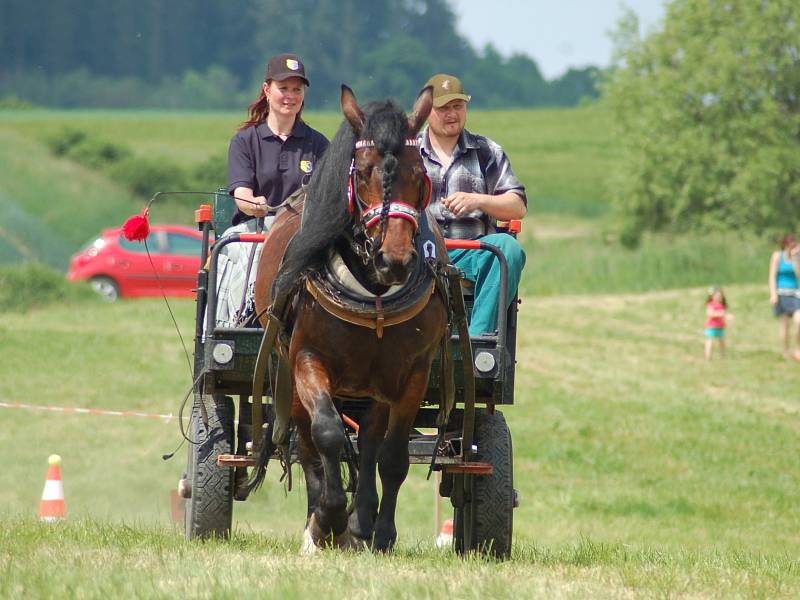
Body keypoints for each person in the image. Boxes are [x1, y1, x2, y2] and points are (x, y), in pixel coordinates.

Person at [215, 53, 329, 328]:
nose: (290, 96)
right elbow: (241, 192)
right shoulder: (245, 141)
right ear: (267, 90)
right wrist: (252, 203)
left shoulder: (318, 144)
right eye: (283, 88)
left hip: (303, 231)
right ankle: (236, 322)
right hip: (256, 228)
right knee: (235, 251)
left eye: (297, 90)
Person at [417, 74, 527, 336]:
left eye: (458, 106)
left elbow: (517, 205)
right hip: (418, 252)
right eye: (443, 108)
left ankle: (476, 341)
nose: (451, 114)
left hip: (470, 252)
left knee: (508, 249)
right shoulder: (406, 152)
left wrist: (477, 200)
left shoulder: (486, 151)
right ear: (425, 110)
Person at [768, 234, 800, 359]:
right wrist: (773, 294)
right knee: (785, 326)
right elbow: (772, 276)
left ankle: (798, 349)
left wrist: (795, 259)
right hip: (782, 294)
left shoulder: (796, 258)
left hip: (795, 293)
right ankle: (785, 351)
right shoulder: (777, 256)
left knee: (799, 321)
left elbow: (798, 274)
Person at [704, 286, 733, 360]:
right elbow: (710, 314)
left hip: (720, 327)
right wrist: (721, 314)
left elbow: (723, 315)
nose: (719, 297)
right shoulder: (711, 304)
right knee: (710, 341)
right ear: (712, 296)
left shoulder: (722, 305)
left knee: (722, 341)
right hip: (712, 327)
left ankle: (723, 355)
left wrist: (726, 318)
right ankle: (708, 356)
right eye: (717, 295)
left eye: (720, 296)